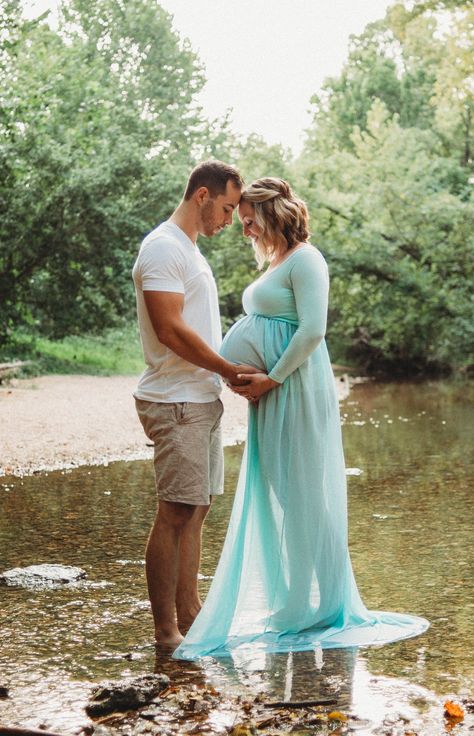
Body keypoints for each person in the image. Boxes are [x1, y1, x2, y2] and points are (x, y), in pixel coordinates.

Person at [173, 177, 429, 660]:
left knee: (308, 494)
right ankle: (294, 600)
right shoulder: (277, 261)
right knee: (283, 495)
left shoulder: (308, 259)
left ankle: (329, 604)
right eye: (240, 219)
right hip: (272, 396)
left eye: (248, 220)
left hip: (295, 389)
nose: (244, 229)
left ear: (272, 212)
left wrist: (271, 378)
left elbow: (313, 331)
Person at [133, 160, 258, 648]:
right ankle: (166, 630)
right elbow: (169, 329)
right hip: (176, 400)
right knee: (175, 511)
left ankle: (191, 612)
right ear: (202, 196)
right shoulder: (163, 247)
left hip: (200, 398)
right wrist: (228, 369)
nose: (230, 220)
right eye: (227, 208)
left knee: (197, 510)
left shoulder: (189, 250)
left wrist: (224, 373)